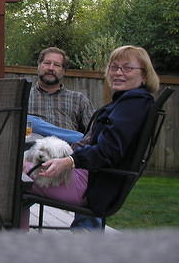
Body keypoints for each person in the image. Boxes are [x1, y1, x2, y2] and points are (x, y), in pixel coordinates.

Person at [22, 45, 160, 229]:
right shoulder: (128, 102)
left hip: (91, 185)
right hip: (89, 174)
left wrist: (69, 160)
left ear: (144, 75)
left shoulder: (132, 104)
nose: (118, 72)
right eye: (113, 67)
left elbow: (108, 151)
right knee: (15, 171)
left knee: (10, 176)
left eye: (127, 68)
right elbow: (95, 140)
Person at [28, 47, 97, 228]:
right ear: (38, 66)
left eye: (57, 65)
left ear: (64, 71)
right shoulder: (24, 95)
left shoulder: (78, 99)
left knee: (97, 171)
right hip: (33, 154)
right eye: (47, 63)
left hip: (68, 155)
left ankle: (86, 233)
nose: (51, 68)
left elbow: (94, 134)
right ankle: (13, 231)